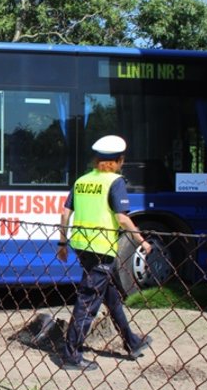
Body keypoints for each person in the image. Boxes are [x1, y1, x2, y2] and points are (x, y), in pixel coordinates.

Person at [56, 135, 153, 371]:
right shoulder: (115, 182)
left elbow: (65, 214)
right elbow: (122, 218)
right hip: (101, 248)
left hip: (81, 246)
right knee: (88, 301)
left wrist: (62, 243)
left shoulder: (82, 181)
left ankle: (132, 341)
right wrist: (142, 241)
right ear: (118, 160)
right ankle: (72, 354)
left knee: (110, 295)